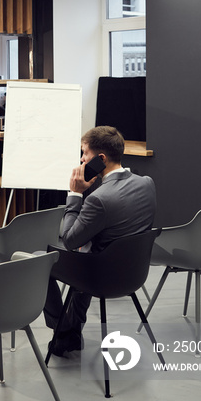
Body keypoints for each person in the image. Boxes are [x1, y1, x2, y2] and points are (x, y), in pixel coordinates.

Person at [45, 125, 156, 356]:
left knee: (39, 261)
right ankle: (71, 332)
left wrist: (75, 194)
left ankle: (64, 333)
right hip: (133, 274)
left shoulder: (98, 200)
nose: (82, 159)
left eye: (85, 153)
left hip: (102, 278)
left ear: (101, 158)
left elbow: (68, 240)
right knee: (89, 249)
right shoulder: (146, 183)